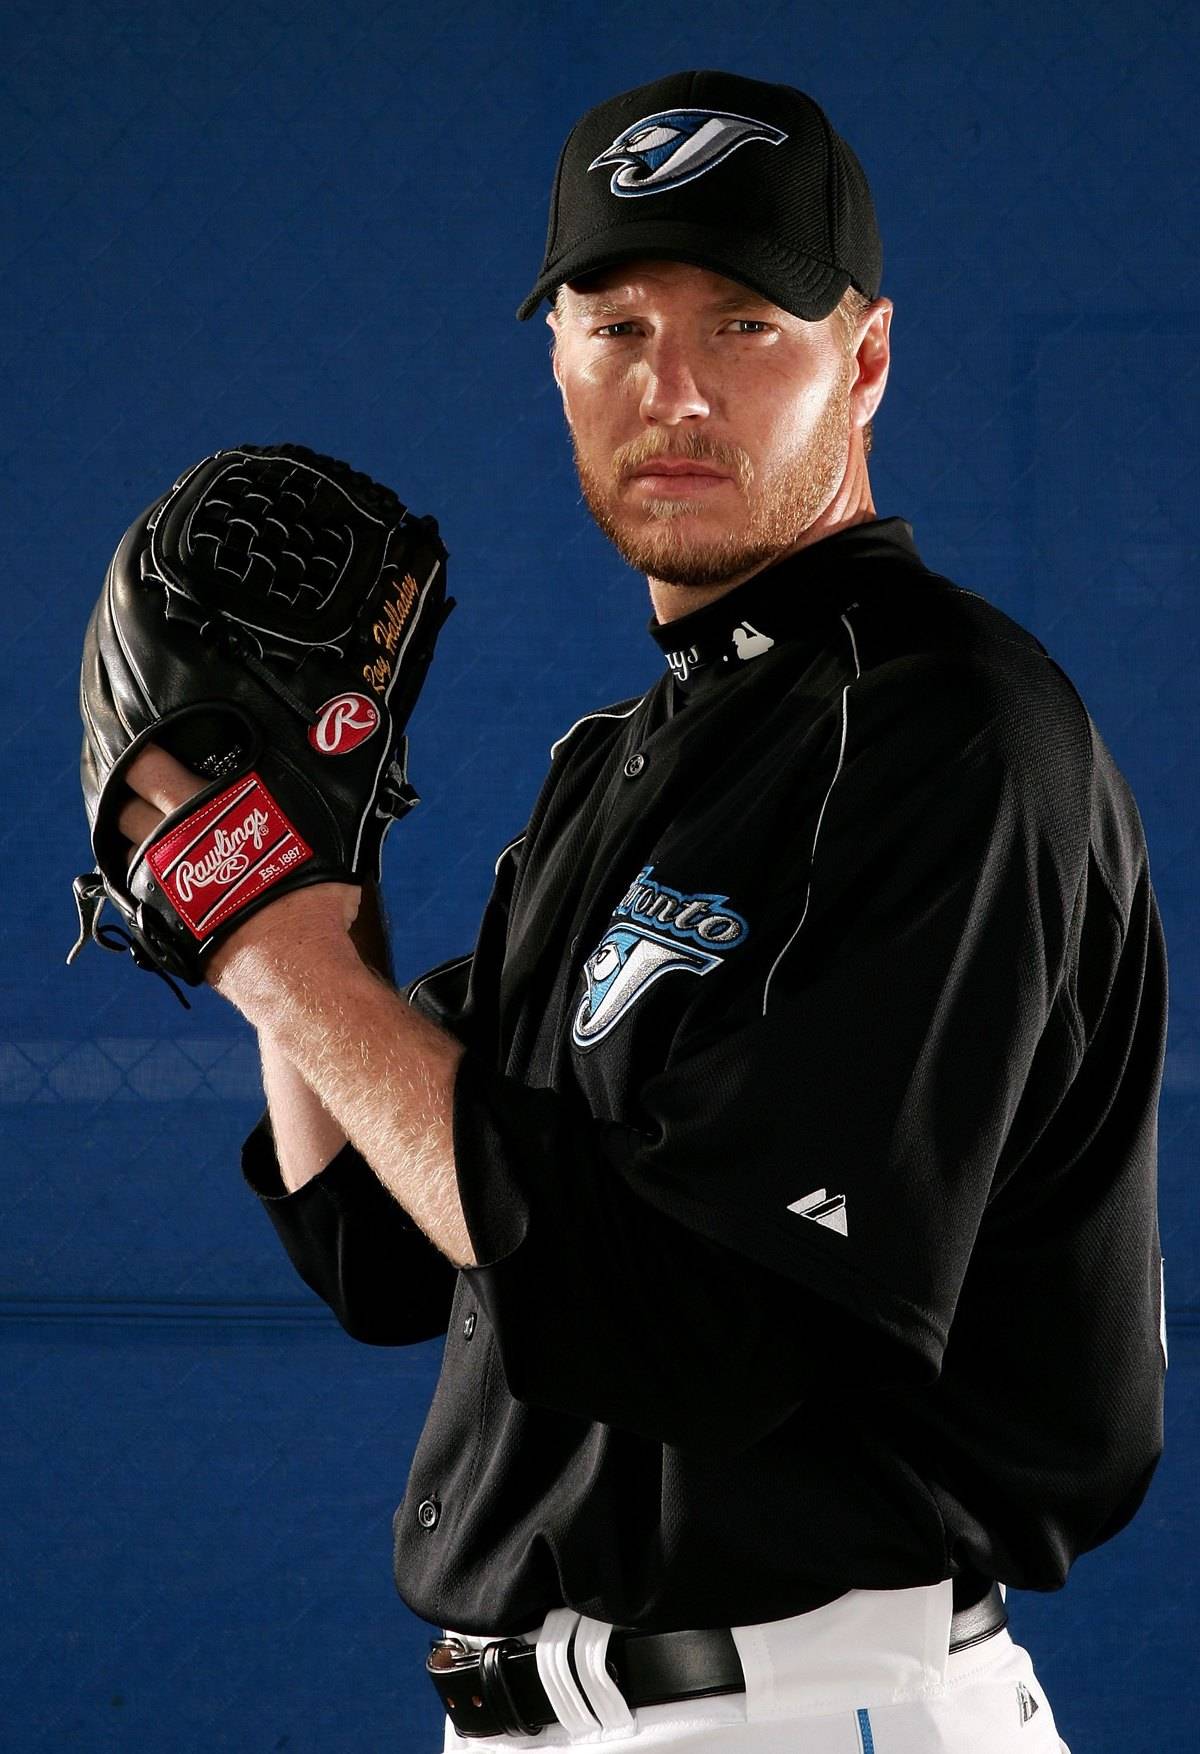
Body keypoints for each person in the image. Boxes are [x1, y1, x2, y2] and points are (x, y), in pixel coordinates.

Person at [119, 69, 1167, 1754]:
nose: (668, 389)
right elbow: (387, 1244)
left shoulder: (943, 734)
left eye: (743, 325)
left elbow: (707, 1329)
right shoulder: (636, 756)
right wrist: (305, 878)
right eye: (613, 327)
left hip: (809, 1705)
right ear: (556, 363)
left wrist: (280, 950)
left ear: (866, 357)